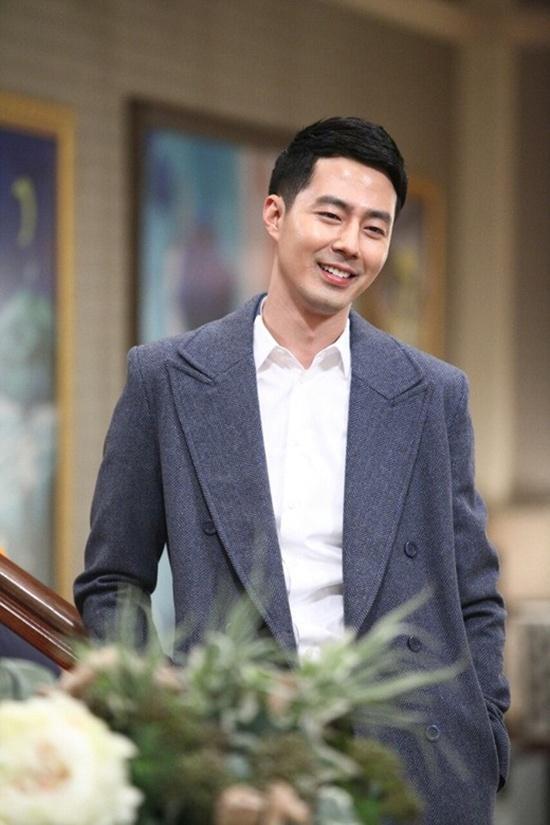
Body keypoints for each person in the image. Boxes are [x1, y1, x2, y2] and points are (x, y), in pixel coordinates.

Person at [74, 117, 510, 823]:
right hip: (237, 758)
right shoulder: (168, 378)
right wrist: (155, 716)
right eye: (331, 215)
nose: (351, 245)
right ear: (275, 214)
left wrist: (487, 728)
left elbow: (475, 591)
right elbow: (113, 579)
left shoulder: (432, 393)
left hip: (419, 763)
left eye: (375, 227)